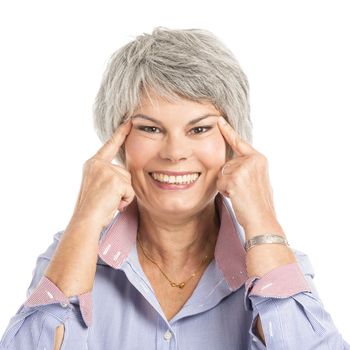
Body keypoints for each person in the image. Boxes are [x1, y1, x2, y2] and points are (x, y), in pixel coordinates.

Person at [0, 27, 349, 350]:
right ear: (118, 143)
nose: (175, 153)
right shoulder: (69, 255)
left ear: (233, 143)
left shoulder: (277, 264)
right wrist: (84, 220)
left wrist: (262, 221)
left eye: (199, 130)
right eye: (150, 129)